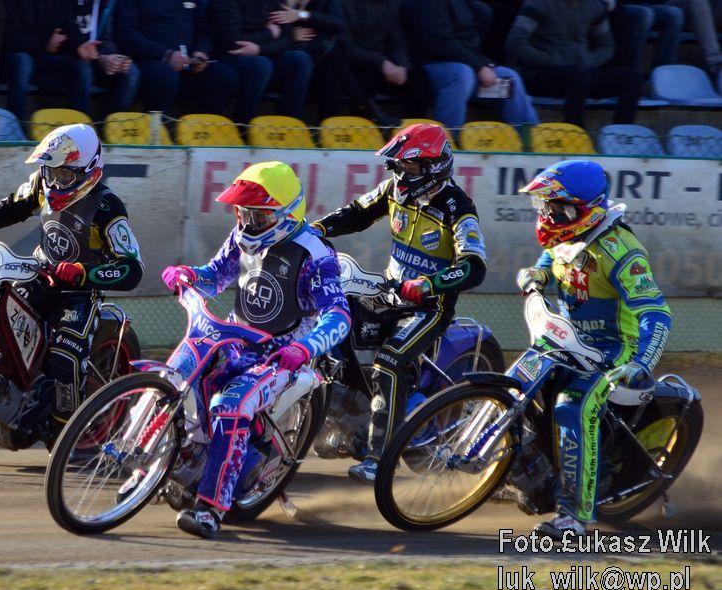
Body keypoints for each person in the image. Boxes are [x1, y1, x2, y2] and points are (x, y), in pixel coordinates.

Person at [162, 161, 350, 538]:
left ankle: (210, 510)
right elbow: (216, 275)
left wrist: (303, 349)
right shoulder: (241, 236)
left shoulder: (315, 255)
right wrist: (189, 275)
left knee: (231, 404)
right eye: (242, 212)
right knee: (175, 374)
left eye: (257, 216)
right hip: (234, 337)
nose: (247, 222)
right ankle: (170, 461)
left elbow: (339, 316)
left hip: (283, 354)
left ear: (285, 213)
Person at [310, 123, 488, 482]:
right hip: (388, 293)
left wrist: (429, 284)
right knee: (332, 325)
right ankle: (343, 415)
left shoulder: (458, 208)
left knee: (390, 362)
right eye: (398, 165)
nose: (400, 172)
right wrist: (313, 231)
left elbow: (474, 266)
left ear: (433, 167)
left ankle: (379, 459)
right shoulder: (393, 189)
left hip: (429, 307)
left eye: (408, 166)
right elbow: (357, 213)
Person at [0, 124, 145, 427]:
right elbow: (14, 206)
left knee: (65, 354)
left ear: (88, 170)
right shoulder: (43, 183)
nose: (54, 181)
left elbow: (132, 267)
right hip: (40, 274)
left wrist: (82, 273)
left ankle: (64, 427)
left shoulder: (108, 207)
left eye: (64, 175)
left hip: (79, 292)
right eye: (51, 172)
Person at [516, 160, 672, 538]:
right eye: (546, 207)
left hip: (614, 349)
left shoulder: (622, 252)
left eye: (558, 209)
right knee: (518, 385)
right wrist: (538, 273)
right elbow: (553, 255)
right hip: (567, 337)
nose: (549, 216)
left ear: (586, 210)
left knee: (574, 406)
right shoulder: (565, 234)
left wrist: (641, 363)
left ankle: (573, 516)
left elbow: (656, 313)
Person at [402, 0, 539, 129]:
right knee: (461, 74)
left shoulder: (469, 5)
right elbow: (438, 42)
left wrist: (484, 63)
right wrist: (478, 66)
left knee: (508, 77)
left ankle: (529, 137)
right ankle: (449, 138)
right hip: (427, 70)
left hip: (467, 69)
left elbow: (470, 45)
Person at [505, 0, 642, 127]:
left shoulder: (594, 5)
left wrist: (590, 60)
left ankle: (621, 133)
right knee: (579, 75)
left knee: (632, 78)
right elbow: (515, 43)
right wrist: (551, 60)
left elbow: (606, 46)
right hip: (541, 73)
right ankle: (574, 133)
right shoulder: (538, 3)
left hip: (582, 71)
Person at [116, 0, 238, 117]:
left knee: (224, 76)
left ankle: (203, 127)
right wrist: (166, 55)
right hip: (150, 60)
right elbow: (127, 34)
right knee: (165, 77)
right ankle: (157, 127)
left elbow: (205, 32)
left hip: (190, 64)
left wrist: (201, 52)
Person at [208, 0, 313, 120]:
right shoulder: (225, 3)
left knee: (299, 58)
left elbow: (287, 38)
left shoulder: (275, 2)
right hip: (229, 59)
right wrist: (268, 33)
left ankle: (291, 123)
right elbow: (233, 42)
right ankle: (244, 122)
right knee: (260, 64)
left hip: (265, 55)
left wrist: (261, 49)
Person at [3, 0, 102, 120]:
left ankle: (80, 126)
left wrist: (79, 46)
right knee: (23, 62)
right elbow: (9, 41)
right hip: (18, 61)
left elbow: (69, 28)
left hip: (48, 61)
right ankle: (16, 125)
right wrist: (44, 44)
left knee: (81, 68)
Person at [311, 0, 404, 126]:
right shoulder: (342, 4)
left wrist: (402, 66)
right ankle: (367, 113)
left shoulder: (391, 5)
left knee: (418, 77)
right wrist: (381, 61)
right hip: (334, 59)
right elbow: (345, 45)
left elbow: (397, 41)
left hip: (369, 62)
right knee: (332, 73)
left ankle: (369, 116)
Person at [73, 0, 140, 114]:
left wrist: (114, 58)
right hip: (73, 55)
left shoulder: (110, 4)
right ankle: (81, 123)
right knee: (82, 71)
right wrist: (100, 58)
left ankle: (112, 122)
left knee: (130, 72)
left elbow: (109, 38)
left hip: (98, 57)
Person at [618, 1, 684, 69]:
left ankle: (663, 71)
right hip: (621, 6)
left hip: (647, 5)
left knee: (674, 14)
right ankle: (632, 70)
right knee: (644, 14)